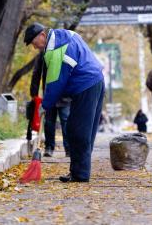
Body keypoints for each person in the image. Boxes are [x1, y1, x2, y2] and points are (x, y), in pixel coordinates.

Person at [24, 22, 105, 183]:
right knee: (83, 130)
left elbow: (55, 83)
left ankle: (80, 174)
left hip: (85, 85)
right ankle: (78, 171)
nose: (35, 48)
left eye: (34, 44)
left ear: (42, 35)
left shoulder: (56, 51)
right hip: (96, 81)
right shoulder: (66, 34)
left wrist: (44, 105)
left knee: (78, 131)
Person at [30, 50, 71, 158]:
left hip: (64, 95)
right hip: (49, 94)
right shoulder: (44, 53)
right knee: (49, 122)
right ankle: (49, 148)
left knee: (66, 122)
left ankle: (69, 149)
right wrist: (34, 93)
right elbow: (37, 72)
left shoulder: (65, 51)